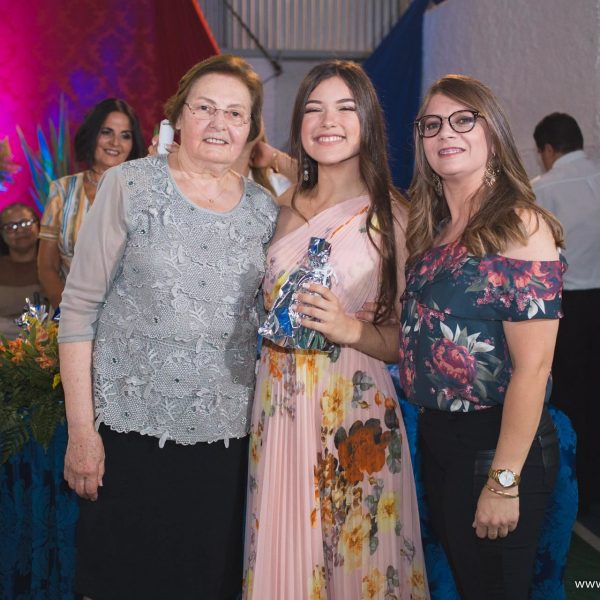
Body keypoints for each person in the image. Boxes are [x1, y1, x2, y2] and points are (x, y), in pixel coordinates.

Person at [57, 55, 278, 600]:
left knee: (205, 583)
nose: (219, 123)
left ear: (251, 129)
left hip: (224, 443)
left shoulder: (265, 210)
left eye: (236, 113)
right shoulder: (129, 185)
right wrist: (82, 433)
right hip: (127, 436)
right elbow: (79, 310)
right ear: (179, 116)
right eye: (204, 108)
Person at [243, 60, 429, 600]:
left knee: (357, 555)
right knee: (283, 551)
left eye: (346, 108)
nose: (329, 121)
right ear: (299, 122)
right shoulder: (273, 210)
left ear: (367, 120)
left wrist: (351, 328)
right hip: (278, 408)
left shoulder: (394, 217)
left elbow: (403, 342)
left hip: (354, 411)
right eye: (314, 108)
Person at [400, 74, 565, 599]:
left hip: (496, 444)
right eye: (432, 125)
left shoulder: (519, 225)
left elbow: (534, 369)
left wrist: (504, 481)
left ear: (491, 131)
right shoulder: (434, 231)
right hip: (439, 440)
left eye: (462, 120)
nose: (445, 132)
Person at [532, 113, 600, 514]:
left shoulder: (543, 189)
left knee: (567, 398)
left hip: (568, 305)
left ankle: (568, 488)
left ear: (547, 150)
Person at [38, 98, 145, 308]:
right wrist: (68, 312)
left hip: (129, 316)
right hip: (70, 311)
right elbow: (46, 266)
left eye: (125, 135)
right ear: (92, 135)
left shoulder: (144, 193)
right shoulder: (63, 190)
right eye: (106, 132)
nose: (115, 143)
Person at [0, 203, 42, 337]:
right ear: (2, 234)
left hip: (47, 344)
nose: (19, 230)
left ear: (38, 225)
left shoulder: (53, 266)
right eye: (10, 227)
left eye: (25, 223)